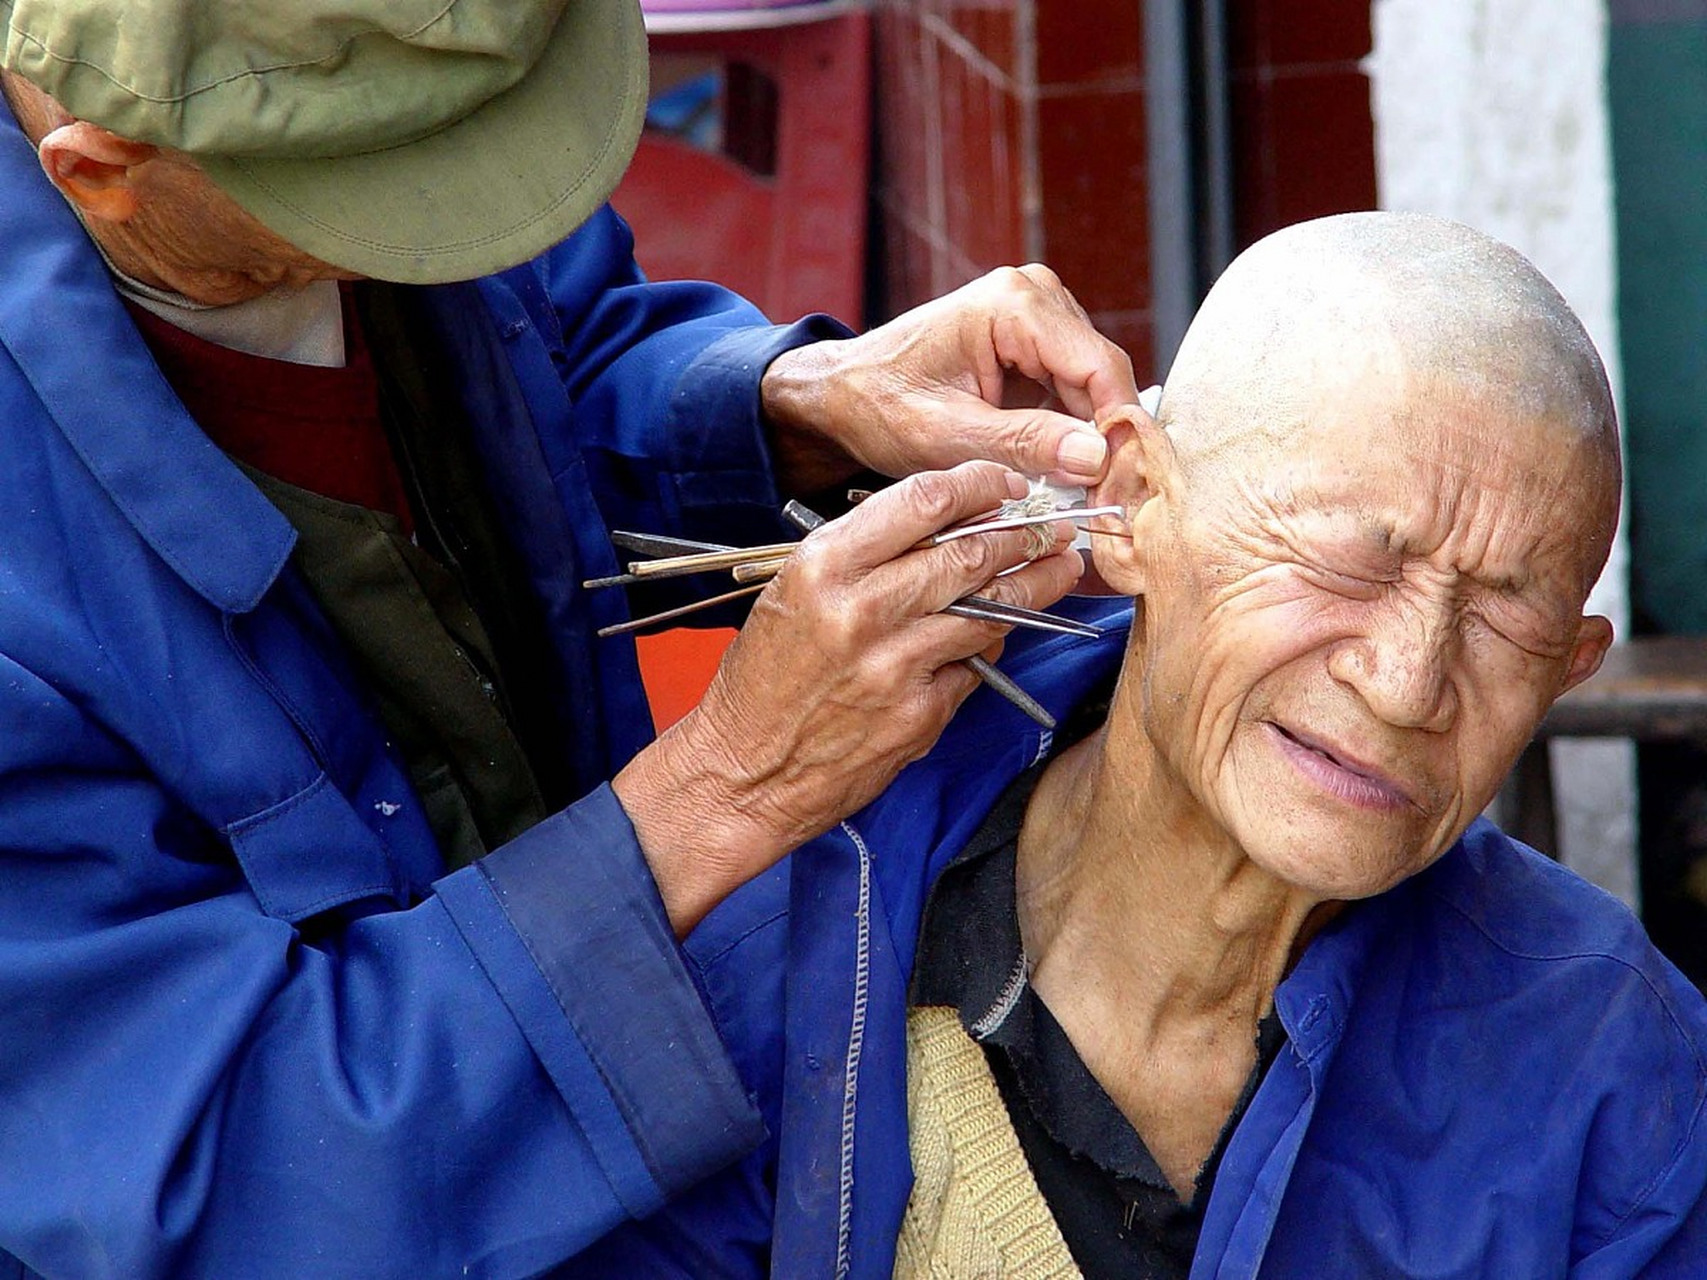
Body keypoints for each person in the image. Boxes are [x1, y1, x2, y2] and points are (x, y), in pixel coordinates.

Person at [0, 1, 1143, 1275]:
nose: (451, 216)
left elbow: (554, 345)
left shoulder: (393, 96)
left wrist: (790, 405)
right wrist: (718, 791)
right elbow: (219, 1181)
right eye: (394, 195)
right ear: (102, 173)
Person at [566, 212, 1707, 1279]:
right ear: (1132, 506)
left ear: (1569, 663)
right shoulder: (803, 932)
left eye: (1506, 617)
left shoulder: (1620, 1079)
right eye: (1348, 564)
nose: (1406, 684)